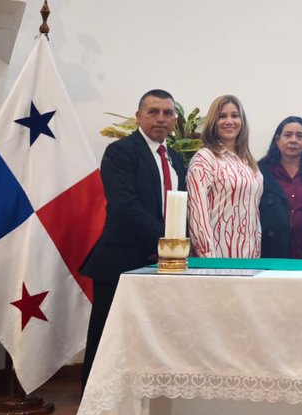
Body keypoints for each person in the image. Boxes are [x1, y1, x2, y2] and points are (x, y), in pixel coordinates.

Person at [80, 89, 186, 386]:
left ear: (175, 121)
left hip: (162, 262)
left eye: (168, 113)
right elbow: (125, 205)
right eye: (153, 112)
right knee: (108, 333)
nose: (161, 119)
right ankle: (93, 395)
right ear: (138, 116)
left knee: (149, 334)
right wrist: (165, 240)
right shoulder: (121, 152)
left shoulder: (175, 157)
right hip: (121, 259)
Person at [186, 94, 263, 257]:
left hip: (249, 257)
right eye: (222, 116)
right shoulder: (205, 158)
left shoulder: (249, 163)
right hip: (216, 258)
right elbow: (197, 213)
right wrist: (207, 257)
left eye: (235, 115)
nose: (229, 121)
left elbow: (254, 214)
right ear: (213, 122)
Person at [258, 116, 302, 258]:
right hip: (269, 252)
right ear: (277, 140)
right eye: (287, 135)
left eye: (300, 136)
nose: (293, 140)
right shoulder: (260, 172)